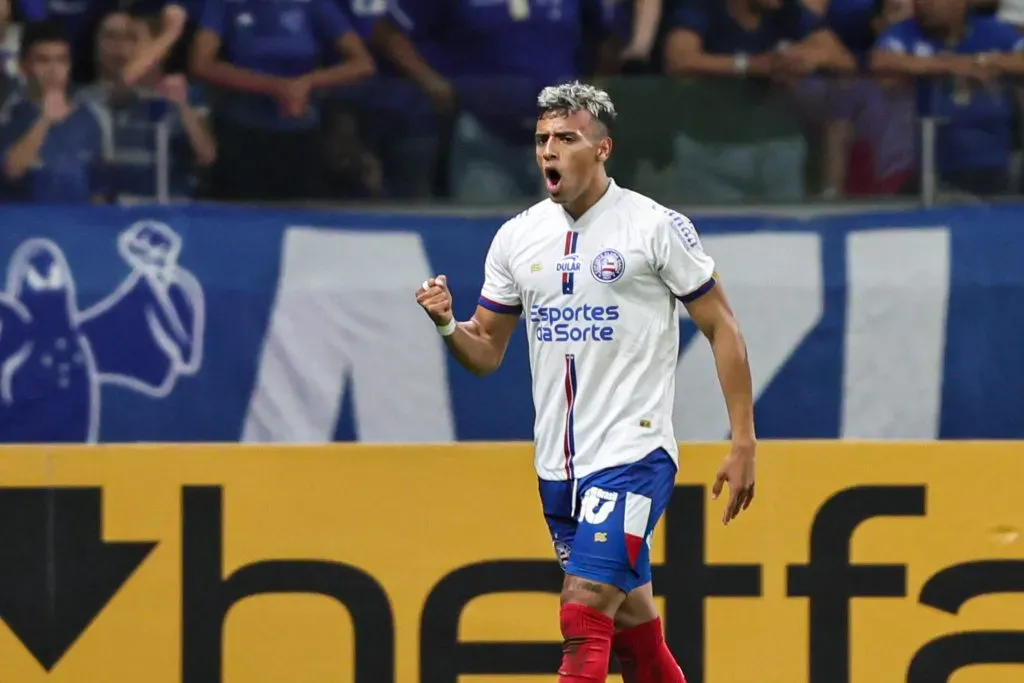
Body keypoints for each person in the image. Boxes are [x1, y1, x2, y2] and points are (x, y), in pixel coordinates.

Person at [414, 82, 757, 683]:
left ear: (602, 149)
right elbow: (486, 350)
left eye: (566, 138)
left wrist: (743, 440)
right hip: (558, 467)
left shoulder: (654, 226)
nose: (549, 150)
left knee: (583, 610)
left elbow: (721, 326)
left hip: (633, 454)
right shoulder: (518, 237)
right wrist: (447, 323)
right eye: (542, 139)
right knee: (634, 633)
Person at [0, 19, 110, 203]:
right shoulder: (9, 114)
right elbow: (11, 171)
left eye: (61, 60)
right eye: (43, 60)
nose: (53, 70)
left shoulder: (91, 118)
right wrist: (45, 120)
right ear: (24, 66)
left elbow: (98, 190)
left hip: (77, 219)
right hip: (25, 220)